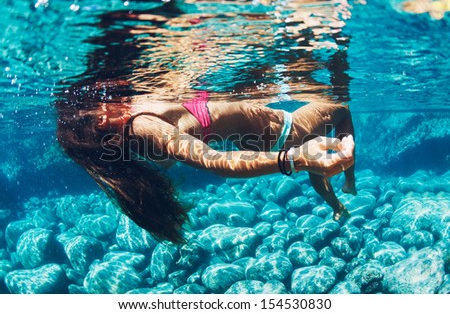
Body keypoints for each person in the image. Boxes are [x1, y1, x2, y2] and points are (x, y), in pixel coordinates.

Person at [56, 95, 355, 243]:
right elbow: (213, 161)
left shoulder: (135, 141)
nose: (107, 106)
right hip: (289, 129)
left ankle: (342, 196)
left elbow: (178, 155)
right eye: (98, 116)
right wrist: (294, 158)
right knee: (341, 106)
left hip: (278, 139)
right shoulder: (140, 124)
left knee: (322, 169)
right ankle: (348, 180)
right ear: (98, 128)